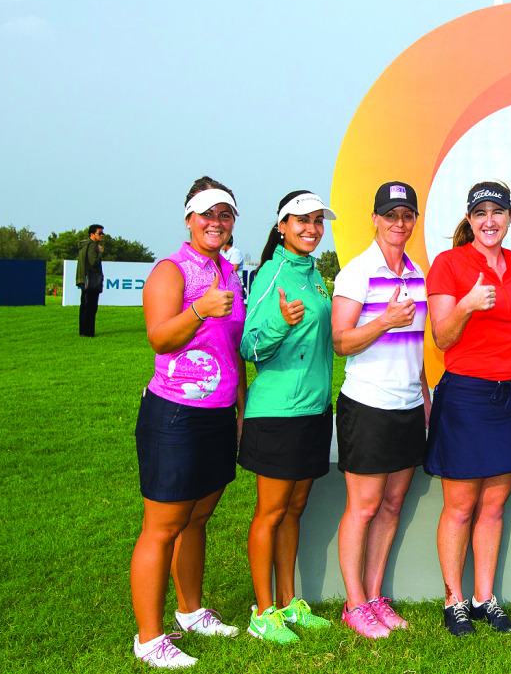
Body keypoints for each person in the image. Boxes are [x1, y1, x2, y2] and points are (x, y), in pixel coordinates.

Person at [130, 177, 245, 668]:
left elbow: (233, 348)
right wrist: (198, 308)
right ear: (189, 218)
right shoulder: (171, 270)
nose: (216, 223)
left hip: (218, 412)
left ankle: (191, 610)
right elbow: (160, 339)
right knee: (162, 526)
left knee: (198, 517)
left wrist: (238, 412)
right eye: (207, 214)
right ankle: (149, 638)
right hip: (174, 414)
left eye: (225, 215)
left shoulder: (229, 270)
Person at [424, 181, 511, 636]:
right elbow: (442, 337)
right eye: (481, 213)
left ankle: (483, 597)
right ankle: (453, 599)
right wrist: (469, 304)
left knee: (494, 505)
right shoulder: (450, 265)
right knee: (460, 505)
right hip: (467, 395)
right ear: (469, 220)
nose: (490, 220)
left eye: (498, 212)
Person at [332, 182, 430, 639]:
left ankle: (373, 597)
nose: (398, 223)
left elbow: (417, 350)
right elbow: (341, 341)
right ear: (374, 219)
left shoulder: (418, 274)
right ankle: (353, 604)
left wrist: (425, 398)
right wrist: (384, 321)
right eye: (390, 215)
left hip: (408, 405)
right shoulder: (356, 272)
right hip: (368, 405)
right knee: (364, 506)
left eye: (406, 215)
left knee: (392, 504)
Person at [238, 191, 337, 644]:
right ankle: (262, 612)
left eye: (318, 221)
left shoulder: (313, 274)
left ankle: (288, 602)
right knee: (271, 512)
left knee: (294, 509)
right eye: (302, 221)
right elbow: (250, 347)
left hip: (313, 410)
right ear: (282, 226)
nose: (312, 229)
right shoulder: (273, 273)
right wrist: (280, 321)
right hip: (279, 412)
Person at [77, 224, 105, 337]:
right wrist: (100, 253)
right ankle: (88, 332)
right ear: (92, 234)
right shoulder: (93, 246)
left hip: (83, 279)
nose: (102, 235)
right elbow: (93, 262)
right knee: (91, 307)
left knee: (84, 306)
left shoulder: (84, 245)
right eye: (100, 233)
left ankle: (83, 331)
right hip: (91, 280)